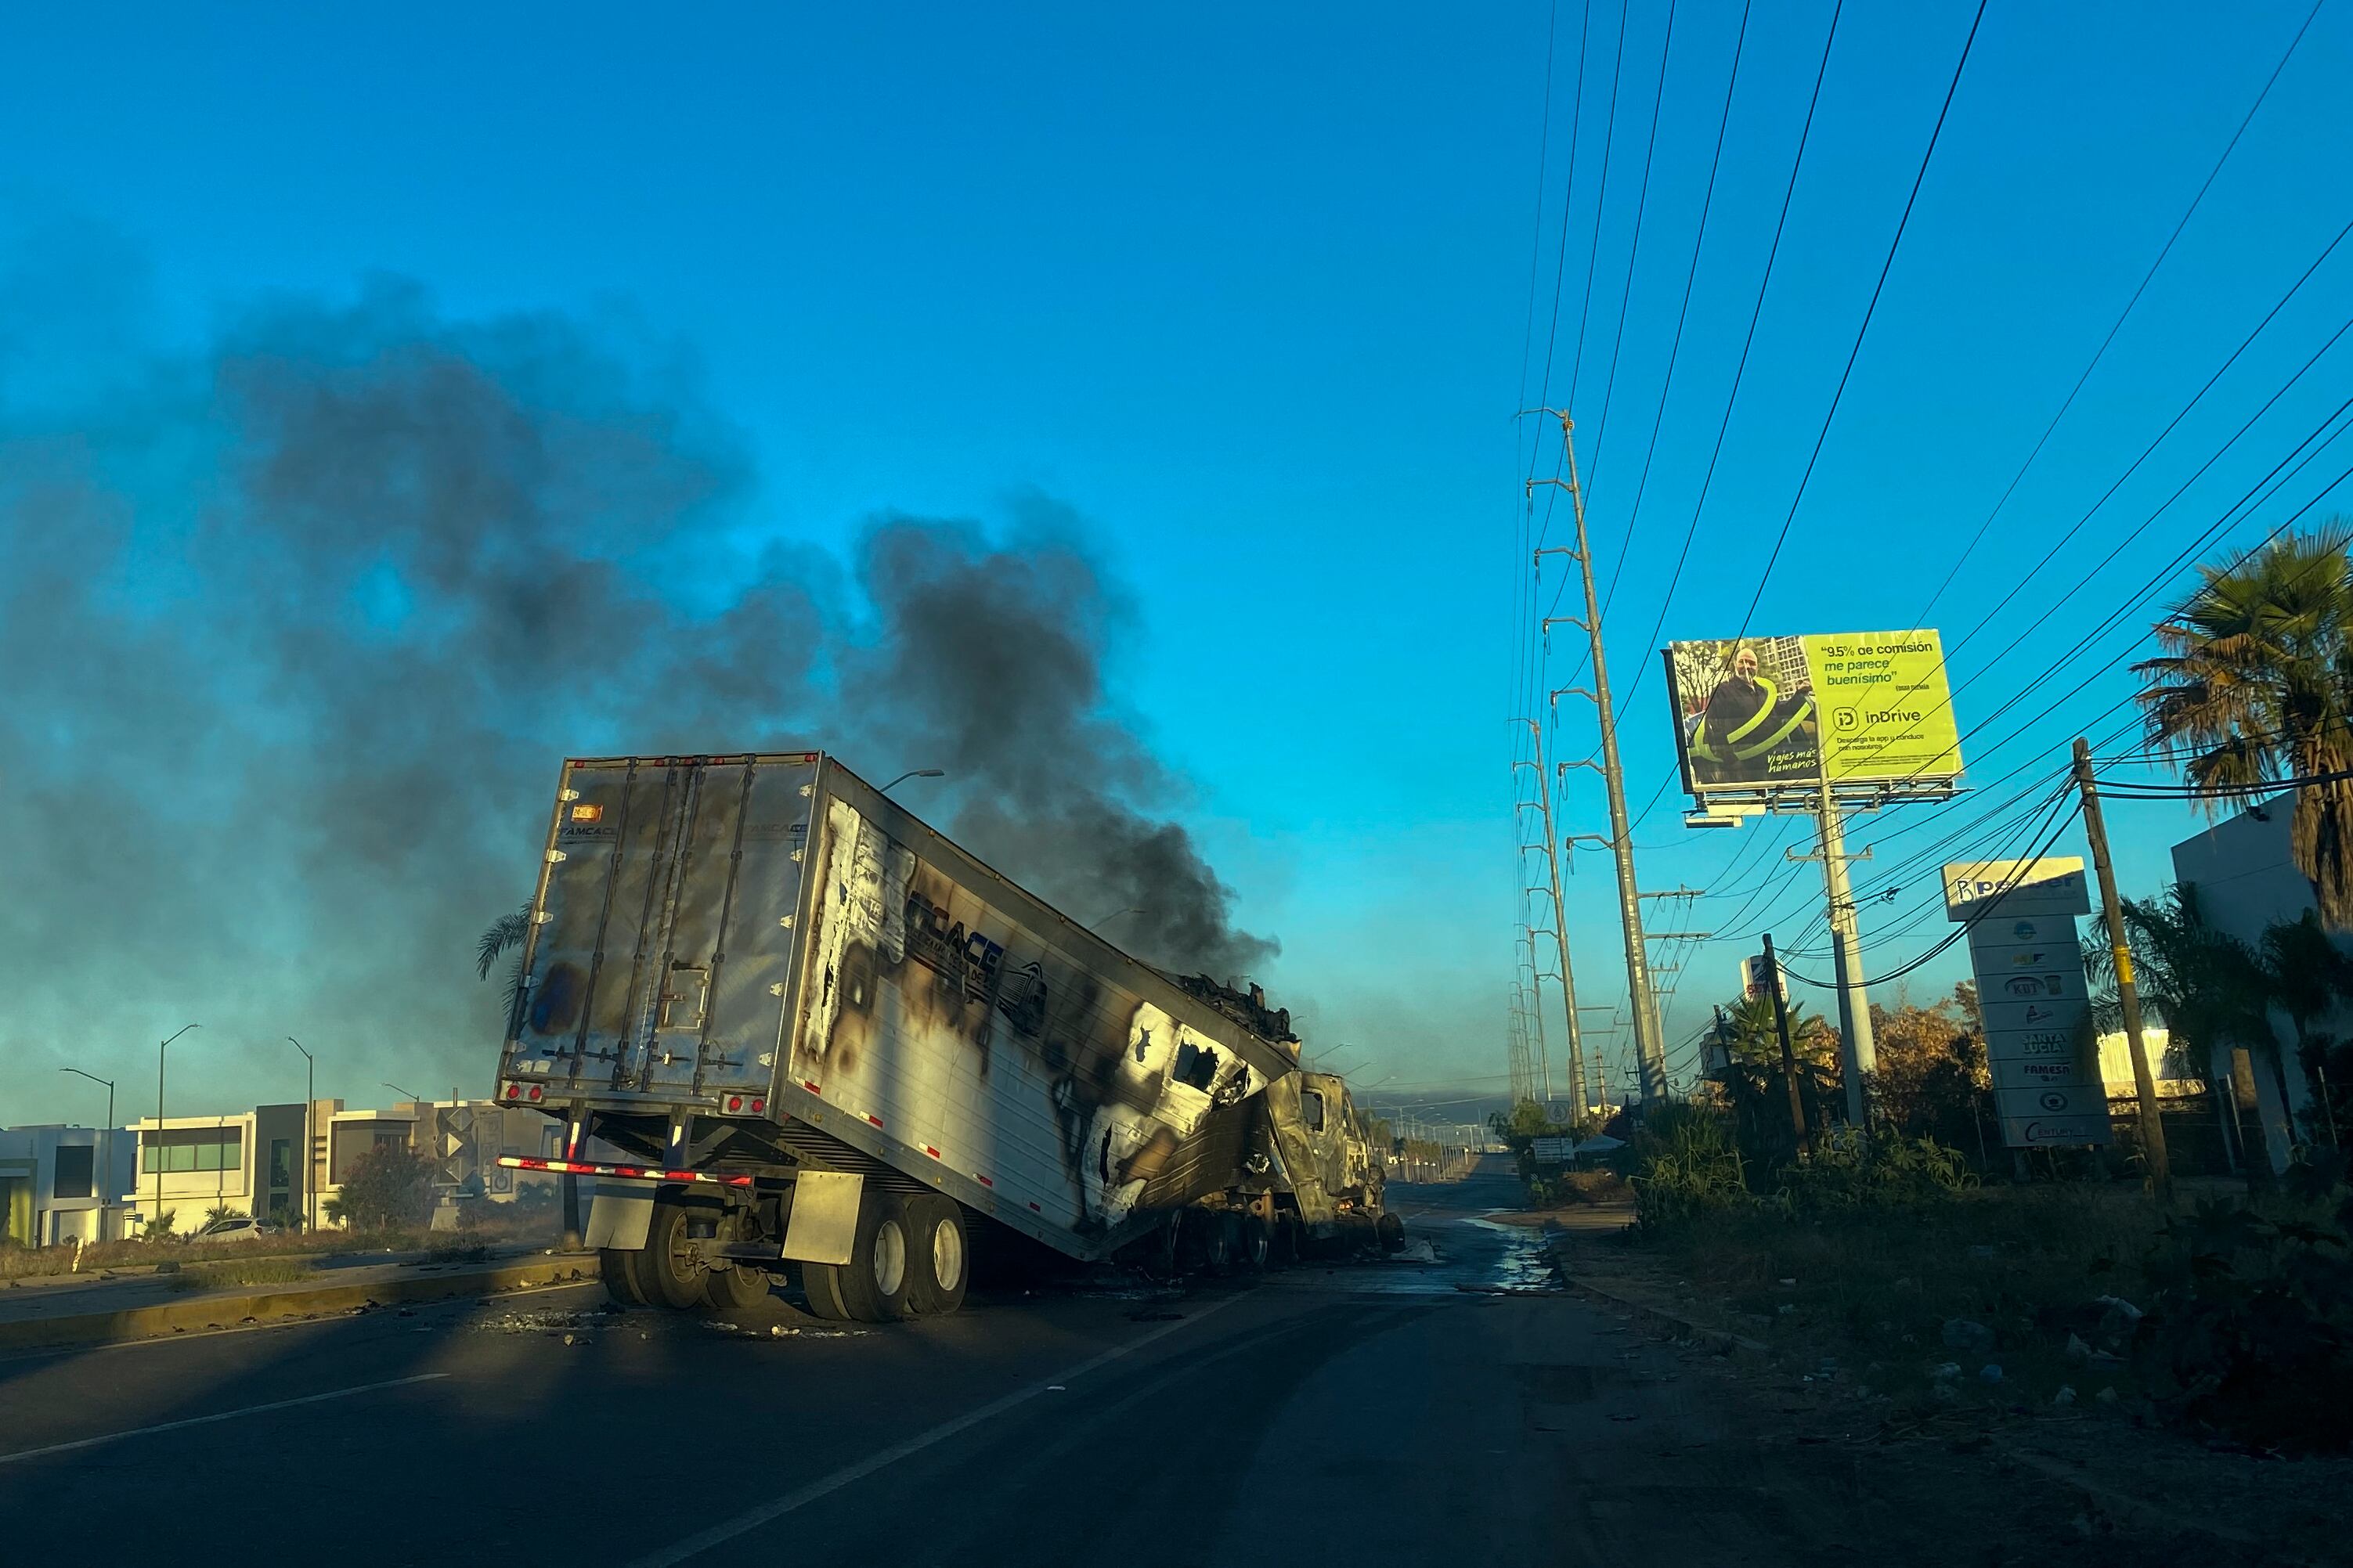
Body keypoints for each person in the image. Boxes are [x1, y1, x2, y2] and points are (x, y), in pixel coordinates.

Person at [1689, 643, 1813, 784]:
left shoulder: (1764, 691)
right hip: (1744, 761)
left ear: (1757, 667)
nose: (1747, 666)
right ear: (1735, 665)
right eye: (1742, 661)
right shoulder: (1723, 691)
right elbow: (1714, 727)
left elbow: (1781, 711)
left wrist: (1800, 694)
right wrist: (1730, 760)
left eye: (1751, 663)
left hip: (1771, 759)